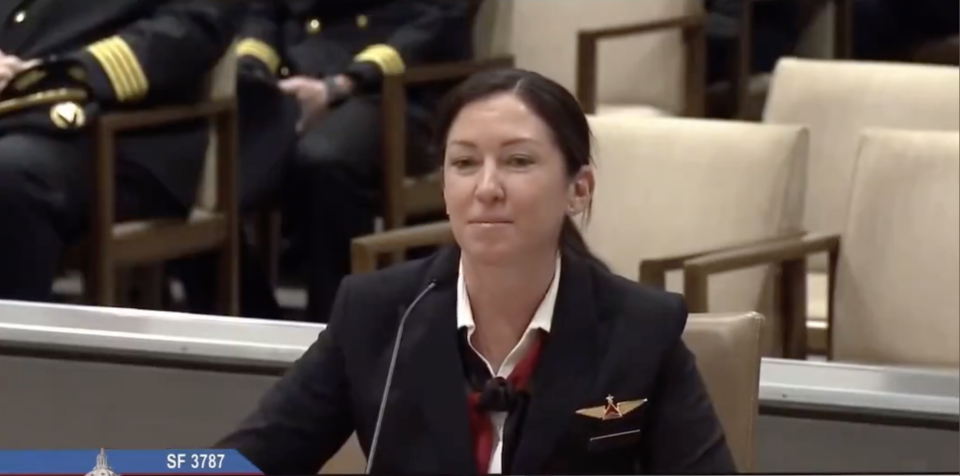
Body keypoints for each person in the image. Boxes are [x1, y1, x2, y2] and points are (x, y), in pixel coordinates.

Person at [218, 68, 736, 475]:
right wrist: (142, 469)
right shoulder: (378, 313)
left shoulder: (643, 329)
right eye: (465, 164)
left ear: (579, 189)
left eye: (518, 162)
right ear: (443, 186)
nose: (486, 187)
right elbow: (243, 460)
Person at [175, 0, 478, 321]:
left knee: (325, 160)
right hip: (294, 78)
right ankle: (251, 320)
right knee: (193, 163)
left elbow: (437, 24)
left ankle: (336, 327)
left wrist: (345, 83)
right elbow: (262, 12)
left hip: (395, 91)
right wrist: (254, 65)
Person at [0, 1, 241, 301]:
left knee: (10, 175)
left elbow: (191, 30)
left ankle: (13, 345)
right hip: (19, 120)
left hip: (121, 134)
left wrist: (55, 75)